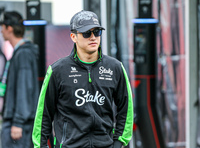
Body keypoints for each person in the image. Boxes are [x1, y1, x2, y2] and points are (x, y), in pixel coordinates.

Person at [32, 10, 134, 148]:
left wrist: (118, 143)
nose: (93, 37)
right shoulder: (57, 71)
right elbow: (43, 115)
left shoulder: (115, 67)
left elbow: (126, 110)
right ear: (73, 37)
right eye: (87, 33)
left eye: (97, 32)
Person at [0, 11, 39, 148]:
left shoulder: (23, 54)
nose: (1, 30)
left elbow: (24, 88)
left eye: (2, 26)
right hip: (16, 122)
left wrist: (18, 122)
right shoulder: (20, 52)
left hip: (18, 126)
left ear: (9, 28)